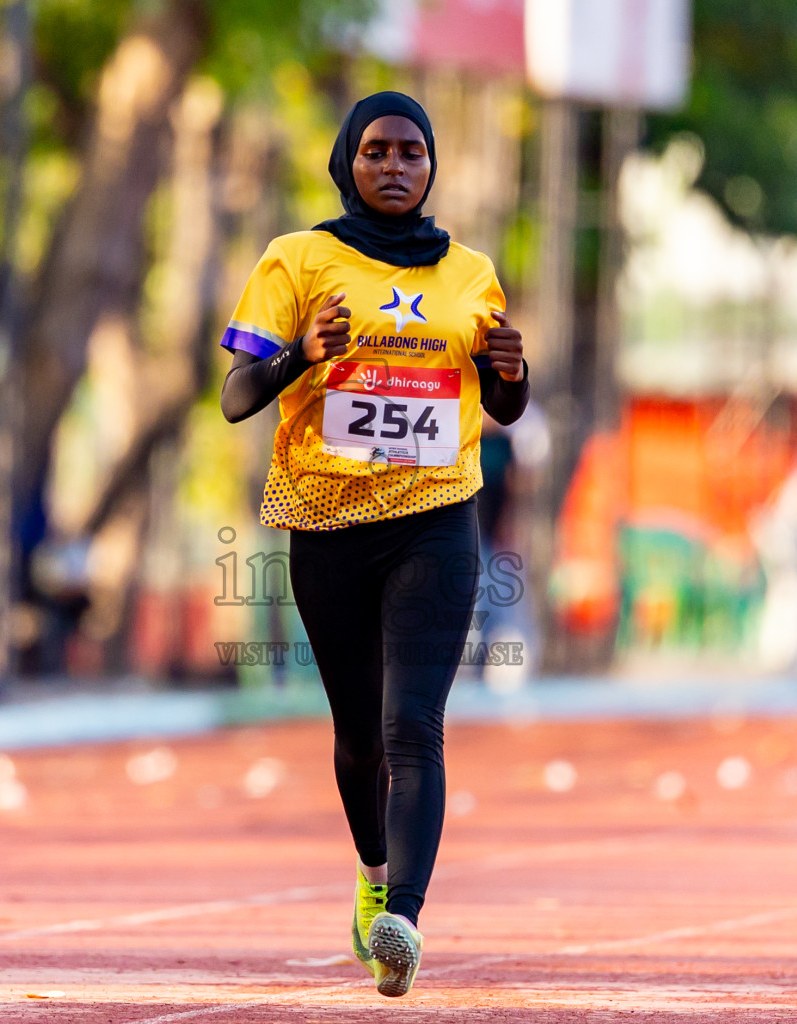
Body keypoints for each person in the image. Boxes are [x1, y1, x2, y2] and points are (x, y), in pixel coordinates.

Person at [219, 92, 528, 998]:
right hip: (327, 519)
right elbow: (238, 397)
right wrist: (302, 354)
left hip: (438, 514)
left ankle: (405, 916)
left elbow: (504, 405)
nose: (395, 167)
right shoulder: (298, 259)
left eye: (413, 153)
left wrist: (511, 372)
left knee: (412, 725)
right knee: (357, 735)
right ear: (347, 160)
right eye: (378, 152)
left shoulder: (470, 273)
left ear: (433, 167)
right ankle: (370, 870)